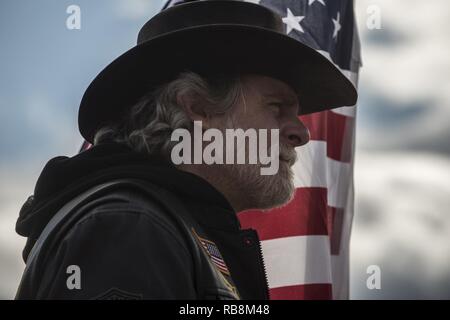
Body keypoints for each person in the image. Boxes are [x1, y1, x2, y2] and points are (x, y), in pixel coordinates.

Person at [15, 0, 356, 299]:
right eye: (277, 107)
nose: (301, 133)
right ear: (198, 108)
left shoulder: (155, 225)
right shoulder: (129, 226)